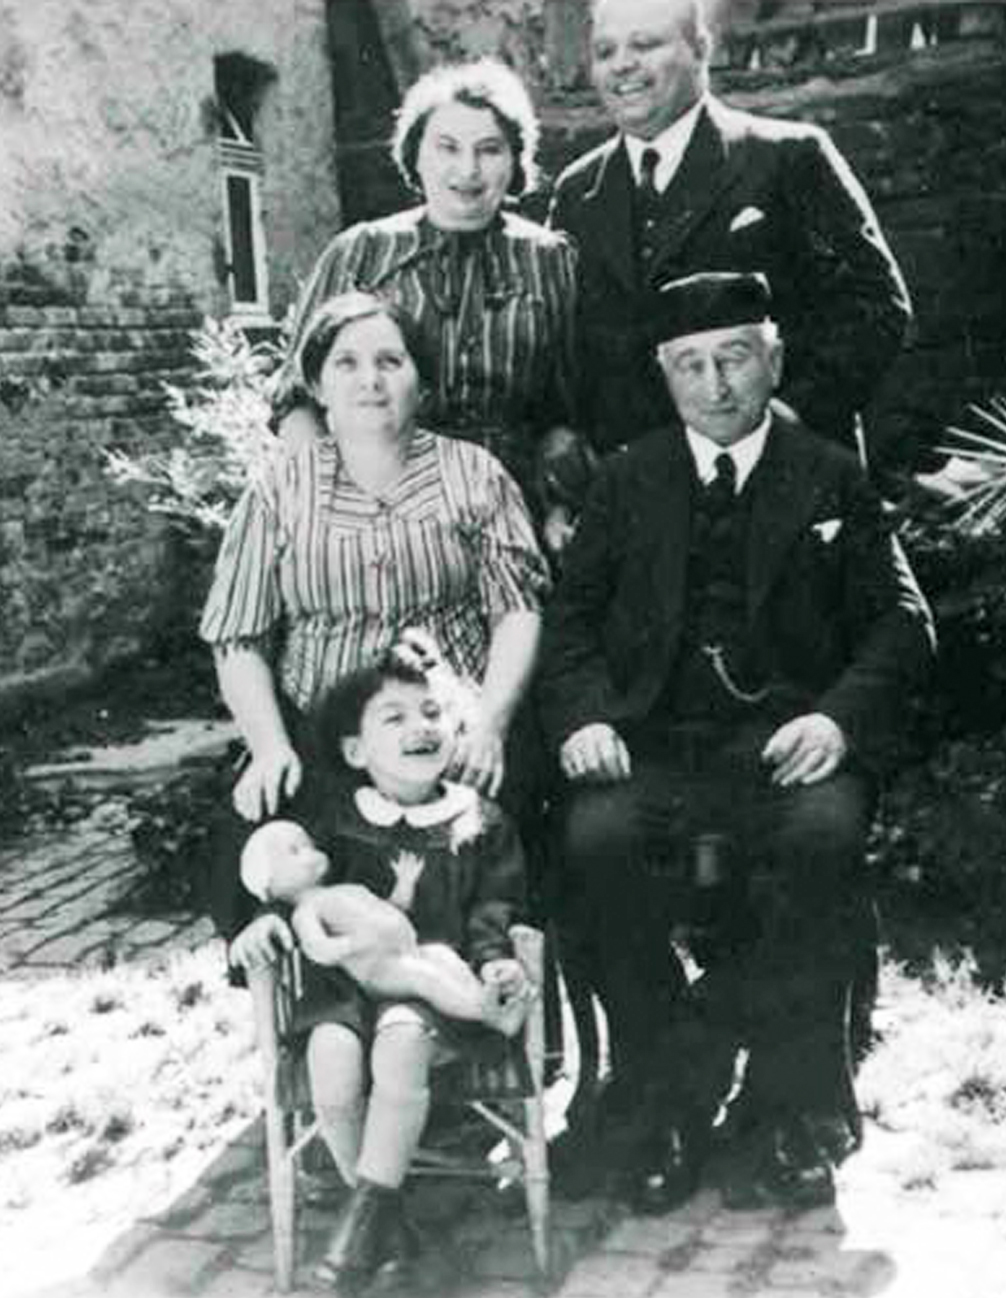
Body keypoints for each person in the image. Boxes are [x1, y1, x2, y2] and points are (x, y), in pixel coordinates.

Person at [536, 271, 934, 1212]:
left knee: (821, 843)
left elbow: (902, 622)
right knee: (595, 845)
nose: (716, 385)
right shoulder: (628, 478)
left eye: (736, 358)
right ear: (664, 374)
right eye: (691, 365)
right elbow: (568, 623)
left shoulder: (829, 470)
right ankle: (668, 1105)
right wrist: (588, 714)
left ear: (775, 358)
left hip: (787, 748)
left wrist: (835, 717)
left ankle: (787, 1110)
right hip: (655, 745)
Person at [199, 291, 550, 942]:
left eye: (391, 360)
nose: (370, 379)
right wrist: (271, 746)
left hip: (452, 728)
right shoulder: (280, 487)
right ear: (316, 384)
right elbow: (237, 636)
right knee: (256, 852)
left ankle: (491, 1005)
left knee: (495, 864)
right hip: (323, 734)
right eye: (347, 363)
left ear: (422, 379)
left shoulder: (475, 474)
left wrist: (492, 723)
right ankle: (323, 1025)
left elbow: (517, 610)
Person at [230, 644, 530, 1293]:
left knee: (399, 1044)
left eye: (432, 711)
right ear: (354, 751)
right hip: (345, 984)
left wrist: (497, 963)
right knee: (331, 1062)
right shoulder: (336, 822)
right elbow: (289, 878)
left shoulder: (480, 822)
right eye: (392, 718)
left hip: (430, 984)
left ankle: (354, 1241)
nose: (421, 727)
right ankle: (388, 1229)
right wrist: (264, 918)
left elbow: (493, 911)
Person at [548, 0, 912, 462]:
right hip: (641, 489)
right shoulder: (578, 191)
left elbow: (877, 303)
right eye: (604, 51)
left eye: (645, 44)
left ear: (701, 49)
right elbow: (562, 343)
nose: (622, 64)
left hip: (782, 474)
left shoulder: (787, 158)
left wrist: (793, 414)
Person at [274, 57, 578, 513]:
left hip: (513, 504)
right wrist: (334, 502)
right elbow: (294, 398)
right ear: (415, 155)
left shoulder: (549, 259)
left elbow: (568, 408)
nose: (468, 170)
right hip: (383, 502)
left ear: (515, 161)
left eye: (490, 149)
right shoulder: (362, 251)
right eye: (447, 147)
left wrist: (561, 501)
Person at [240, 818, 529, 1036]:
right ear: (271, 886)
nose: (309, 852)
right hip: (377, 969)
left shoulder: (346, 888)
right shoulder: (305, 912)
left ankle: (483, 996)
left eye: (308, 845)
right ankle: (485, 1014)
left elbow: (389, 909)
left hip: (406, 949)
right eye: (294, 851)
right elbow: (318, 949)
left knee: (443, 956)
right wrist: (354, 943)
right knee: (424, 977)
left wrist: (404, 885)